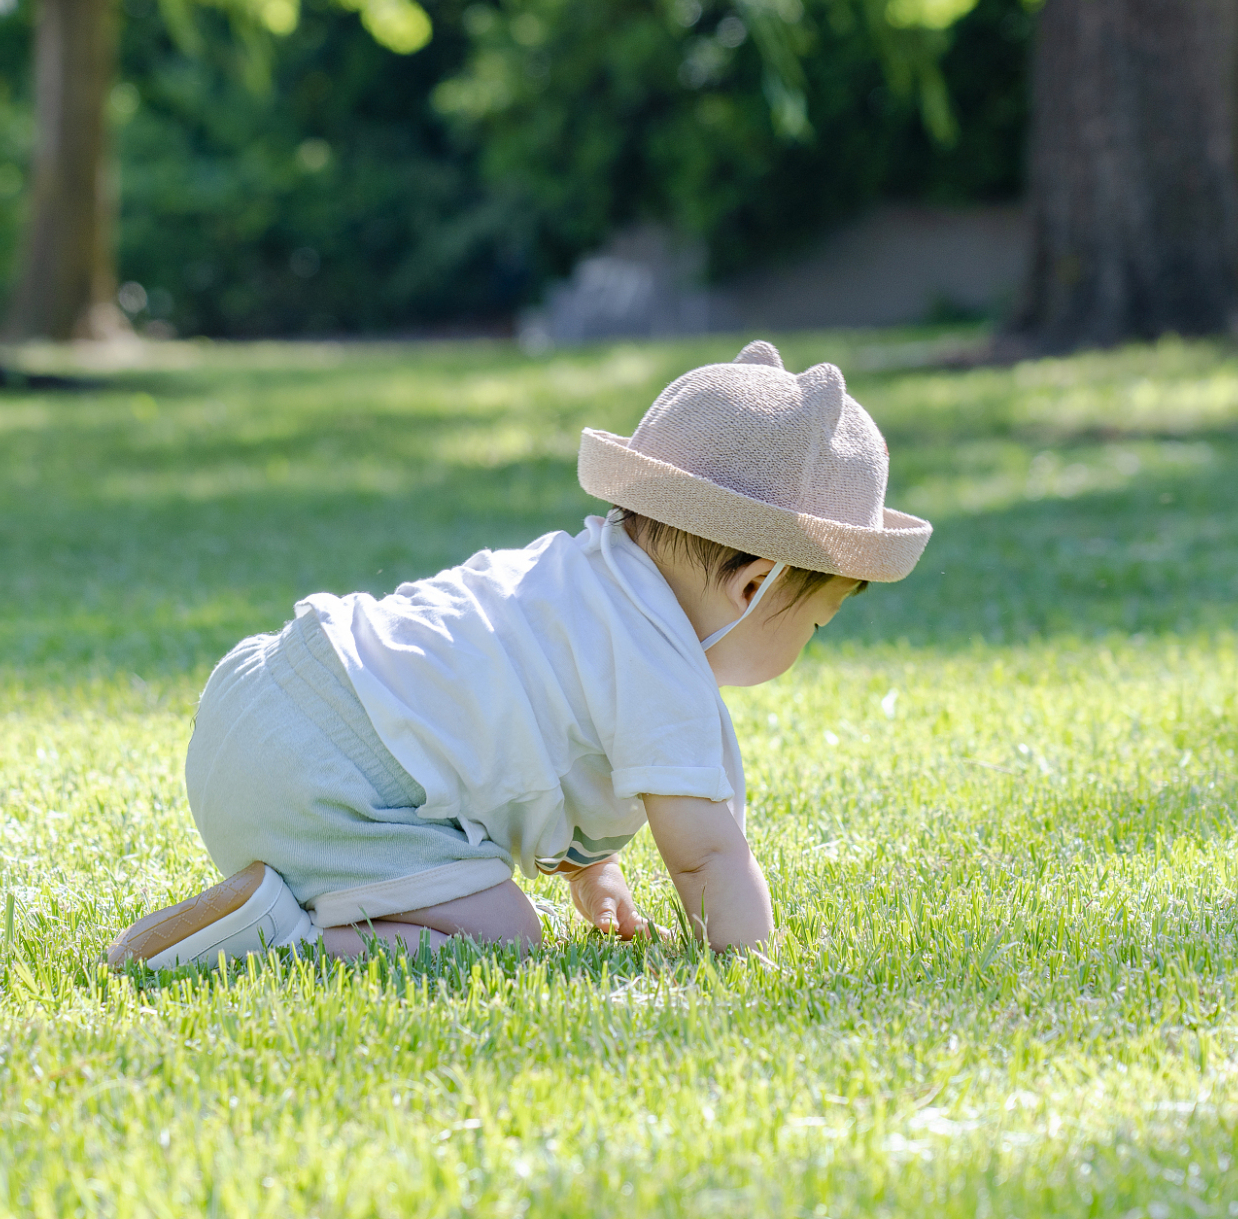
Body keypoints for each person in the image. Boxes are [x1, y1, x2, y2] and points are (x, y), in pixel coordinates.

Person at [106, 341, 931, 968]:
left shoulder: (578, 571)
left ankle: (282, 890)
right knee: (505, 934)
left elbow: (529, 720)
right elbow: (707, 852)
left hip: (264, 693)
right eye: (814, 625)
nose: (808, 646)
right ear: (756, 586)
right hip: (339, 775)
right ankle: (278, 940)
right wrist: (751, 963)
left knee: (482, 894)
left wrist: (587, 868)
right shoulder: (665, 664)